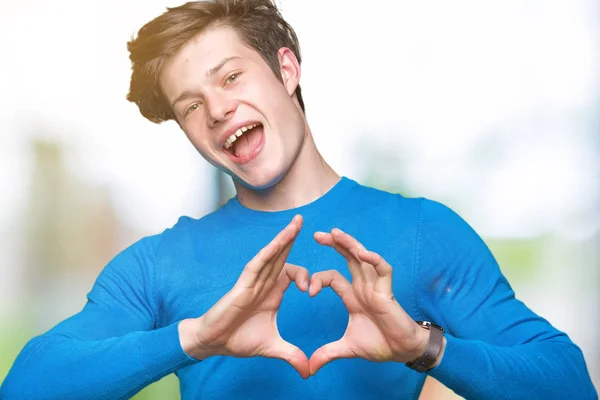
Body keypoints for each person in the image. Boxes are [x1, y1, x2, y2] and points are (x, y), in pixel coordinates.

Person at [1, 0, 597, 399]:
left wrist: (424, 347)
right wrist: (194, 338)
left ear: (286, 69)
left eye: (231, 77)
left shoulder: (421, 233)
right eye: (189, 104)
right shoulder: (160, 265)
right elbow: (26, 386)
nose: (216, 109)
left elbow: (569, 384)